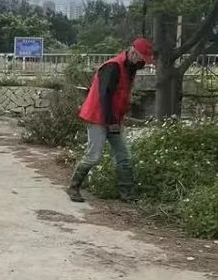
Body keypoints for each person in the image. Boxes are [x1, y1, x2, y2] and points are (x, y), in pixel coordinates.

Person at [65, 38, 154, 203]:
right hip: (97, 117)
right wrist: (111, 122)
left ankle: (127, 194)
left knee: (124, 156)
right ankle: (73, 187)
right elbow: (104, 97)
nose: (143, 62)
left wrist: (117, 119)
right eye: (142, 58)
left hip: (114, 117)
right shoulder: (112, 67)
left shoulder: (131, 67)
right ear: (133, 52)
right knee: (94, 156)